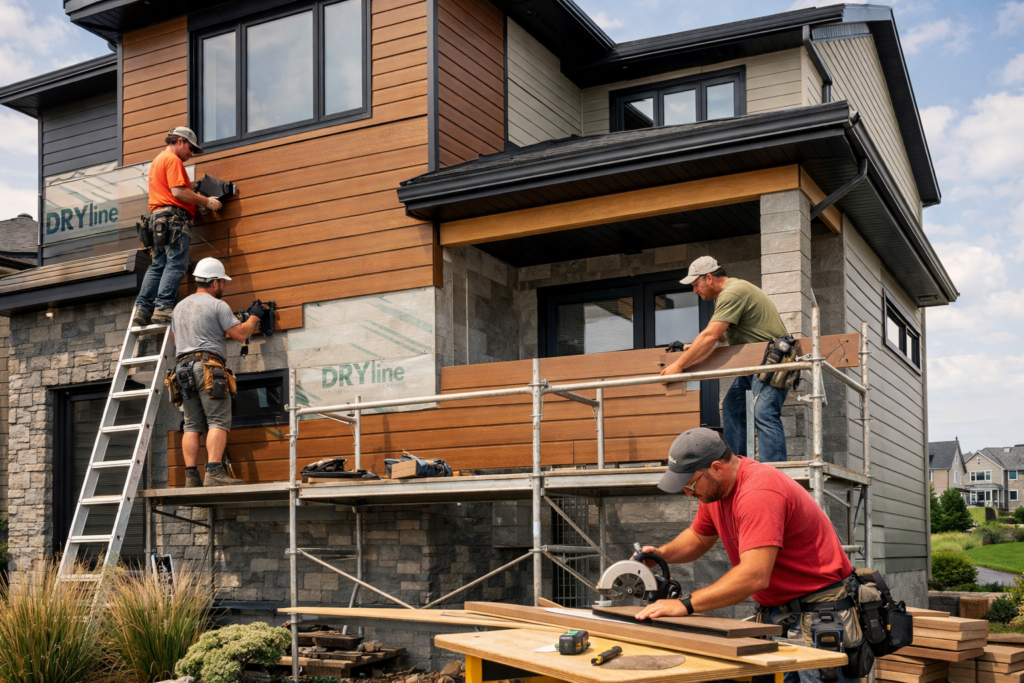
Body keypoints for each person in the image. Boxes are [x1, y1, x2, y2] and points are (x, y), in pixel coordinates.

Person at [639, 428, 858, 683]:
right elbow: (699, 537)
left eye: (690, 483)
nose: (688, 493)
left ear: (716, 468)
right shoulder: (714, 494)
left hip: (819, 614)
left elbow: (754, 576)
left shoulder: (758, 492)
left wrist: (684, 605)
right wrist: (662, 555)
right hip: (783, 614)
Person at [659, 256, 792, 462]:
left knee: (764, 412)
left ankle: (773, 470)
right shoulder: (728, 294)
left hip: (772, 360)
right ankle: (737, 464)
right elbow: (720, 336)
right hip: (754, 363)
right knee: (733, 406)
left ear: (709, 278)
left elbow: (711, 335)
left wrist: (678, 365)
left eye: (696, 285)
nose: (695, 291)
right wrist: (688, 347)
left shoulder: (733, 292)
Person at [170, 257, 268, 487]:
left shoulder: (179, 308)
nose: (223, 287)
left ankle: (191, 477)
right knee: (217, 421)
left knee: (191, 424)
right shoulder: (218, 305)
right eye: (222, 282)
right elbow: (241, 334)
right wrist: (255, 315)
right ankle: (214, 473)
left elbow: (177, 339)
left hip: (182, 370)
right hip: (207, 368)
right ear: (214, 283)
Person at [134, 127, 223, 327]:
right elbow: (178, 192)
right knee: (176, 264)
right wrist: (207, 201)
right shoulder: (173, 160)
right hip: (173, 220)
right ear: (180, 141)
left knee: (158, 265)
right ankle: (164, 306)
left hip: (158, 220)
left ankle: (143, 308)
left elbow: (171, 194)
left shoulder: (157, 161)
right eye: (191, 149)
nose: (191, 154)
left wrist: (195, 204)